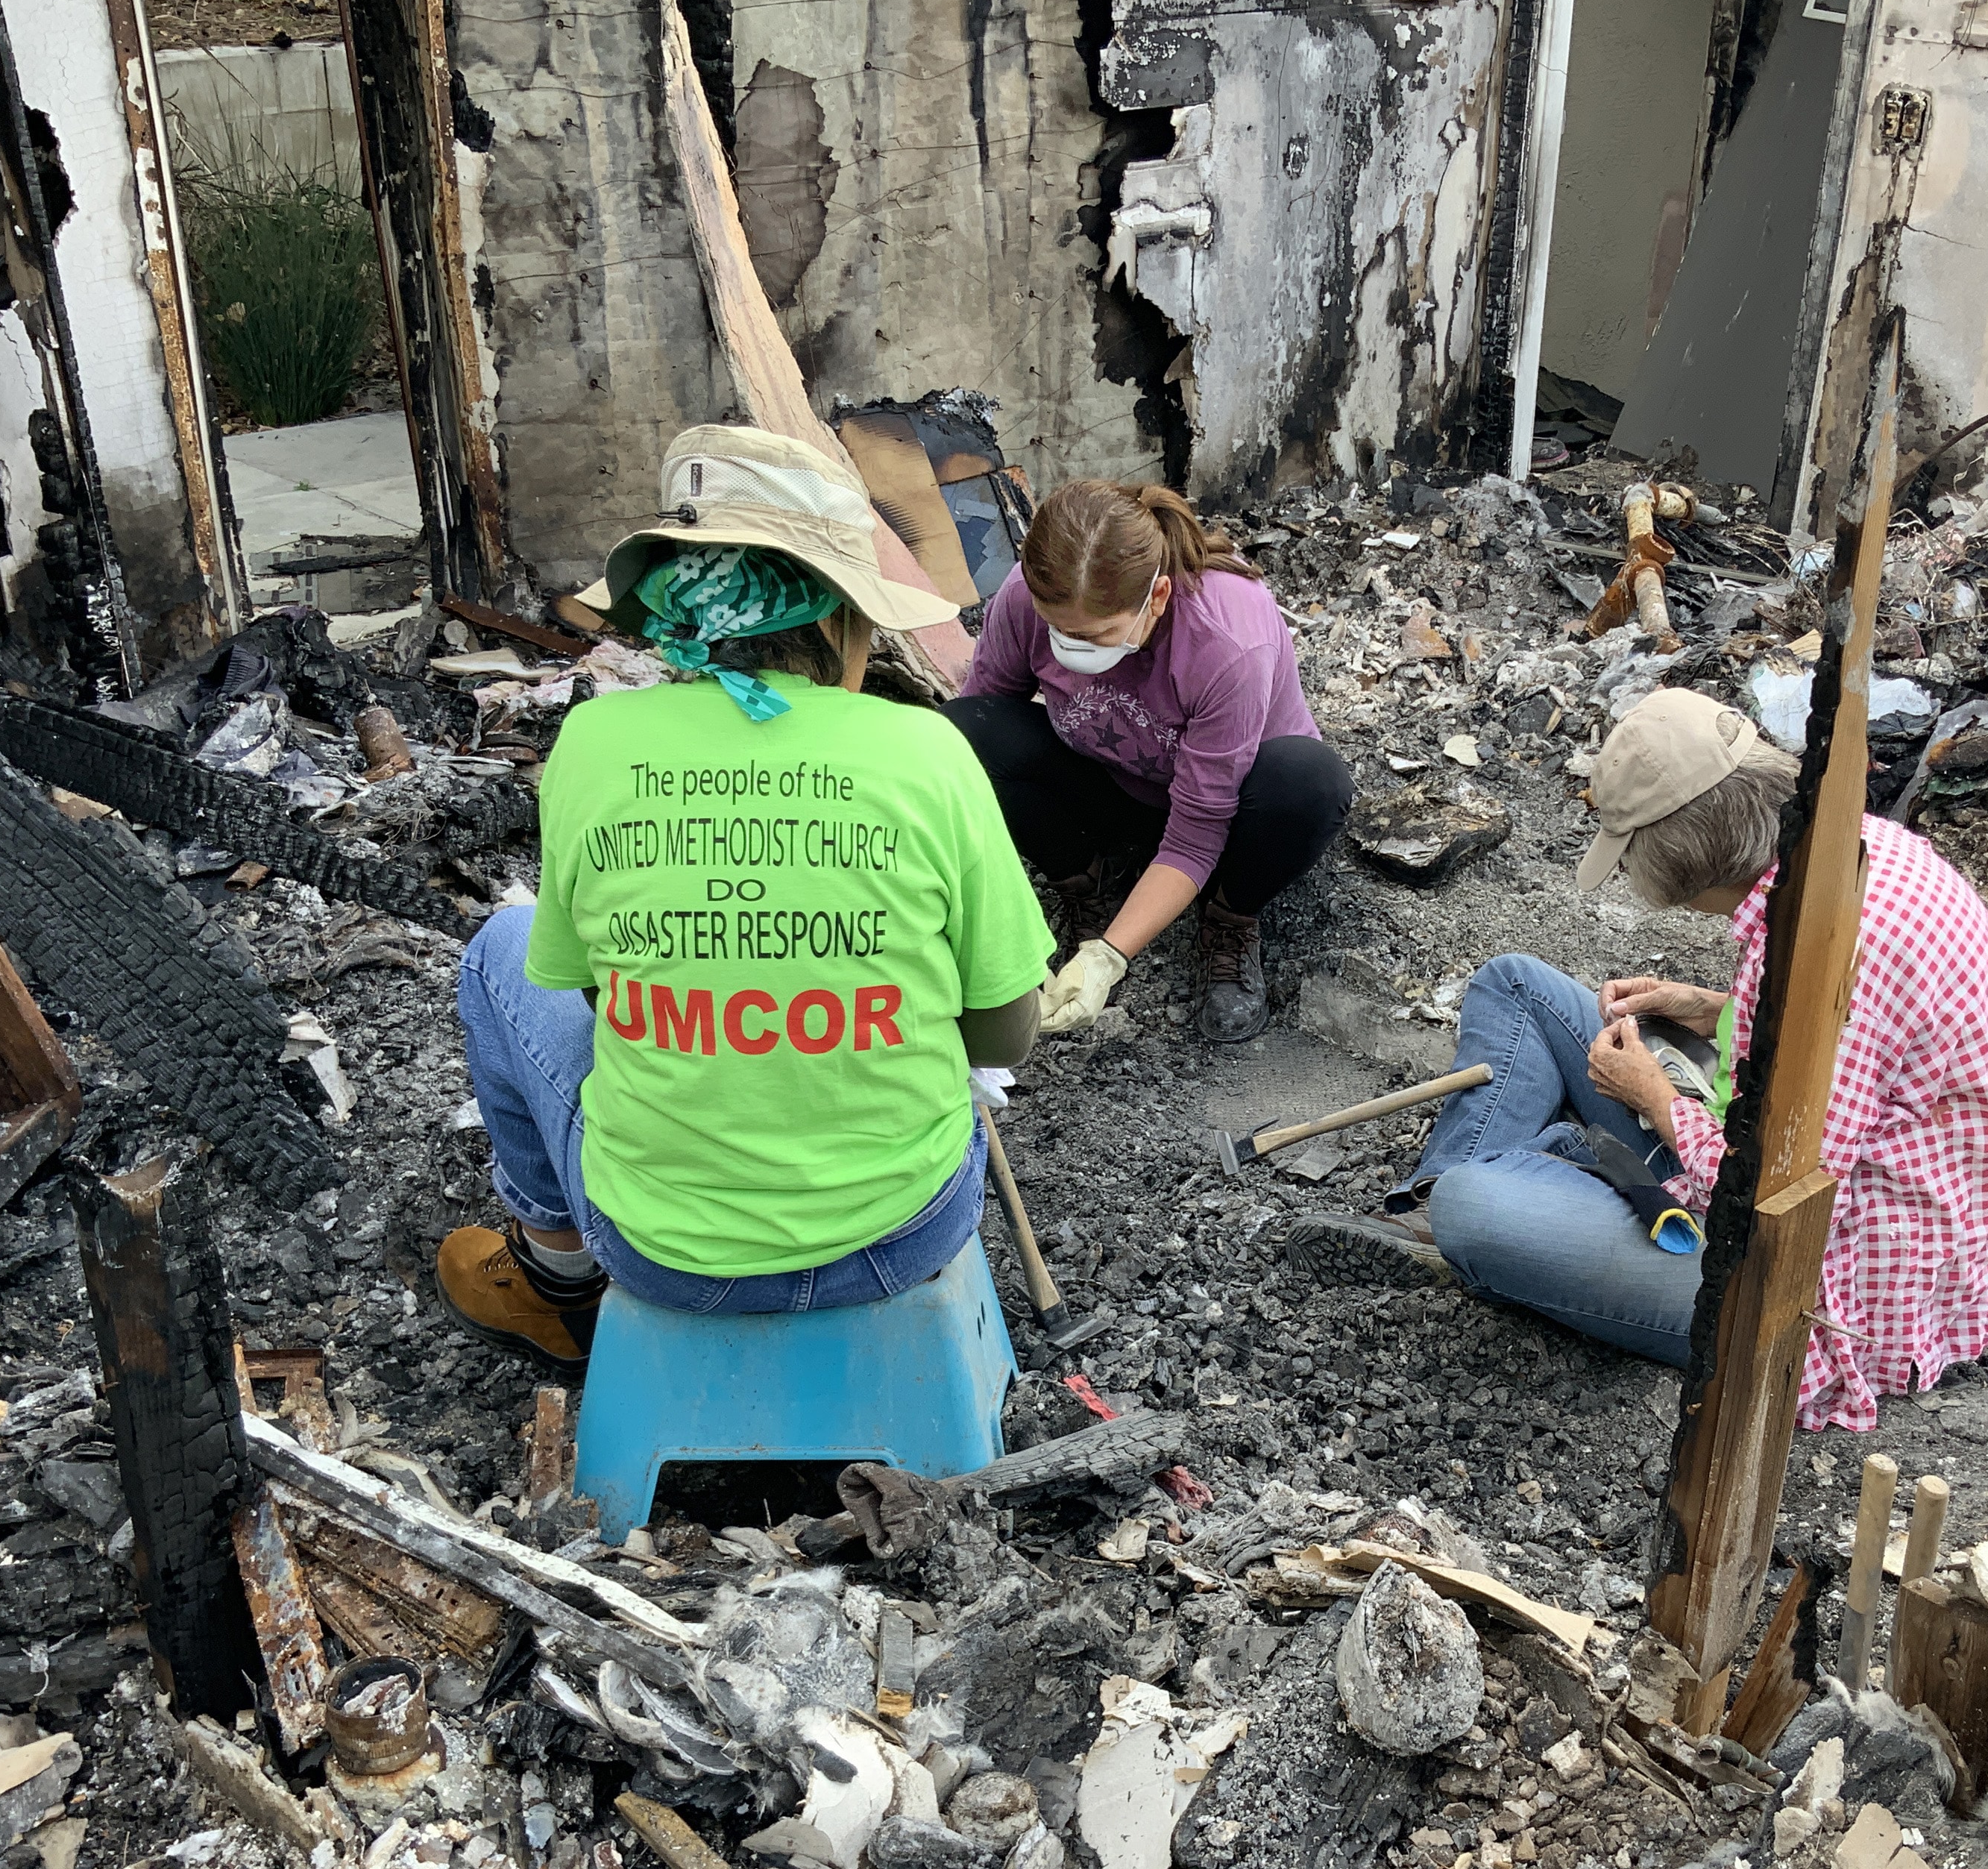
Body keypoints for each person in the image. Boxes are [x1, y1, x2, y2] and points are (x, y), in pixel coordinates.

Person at [437, 426, 1055, 1369]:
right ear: (848, 617)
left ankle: (558, 1277)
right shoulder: (927, 752)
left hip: (671, 1259)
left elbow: (605, 1005)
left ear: (676, 613)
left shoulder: (597, 744)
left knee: (500, 953)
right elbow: (1005, 1035)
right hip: (901, 1235)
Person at [1285, 687, 1988, 1433]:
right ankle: (1491, 1200)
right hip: (1821, 1185)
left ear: (1679, 854)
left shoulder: (1825, 952)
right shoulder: (1844, 847)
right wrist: (1714, 1008)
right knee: (1515, 984)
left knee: (1471, 1208)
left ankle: (1482, 1212)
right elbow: (1852, 1057)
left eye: (1634, 855)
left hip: (1825, 1294)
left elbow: (1777, 1194)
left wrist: (1653, 1099)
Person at [946, 481, 1354, 1042]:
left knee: (1311, 783)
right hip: (1118, 782)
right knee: (964, 735)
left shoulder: (1225, 638)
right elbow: (980, 724)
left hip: (1238, 809)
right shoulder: (1026, 597)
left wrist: (1108, 958)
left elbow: (1196, 832)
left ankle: (1228, 919)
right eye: (1057, 628)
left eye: (1095, 635)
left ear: (1157, 598)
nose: (1071, 646)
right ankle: (1089, 880)